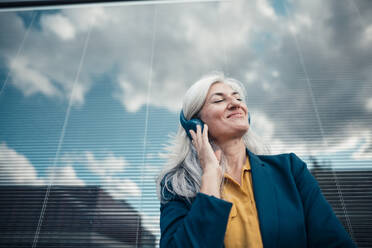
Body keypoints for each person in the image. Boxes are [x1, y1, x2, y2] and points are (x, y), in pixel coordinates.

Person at [156, 72, 356, 248]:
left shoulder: (290, 170)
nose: (235, 104)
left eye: (238, 98)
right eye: (219, 101)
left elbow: (333, 242)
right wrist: (209, 174)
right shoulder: (177, 186)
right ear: (195, 123)